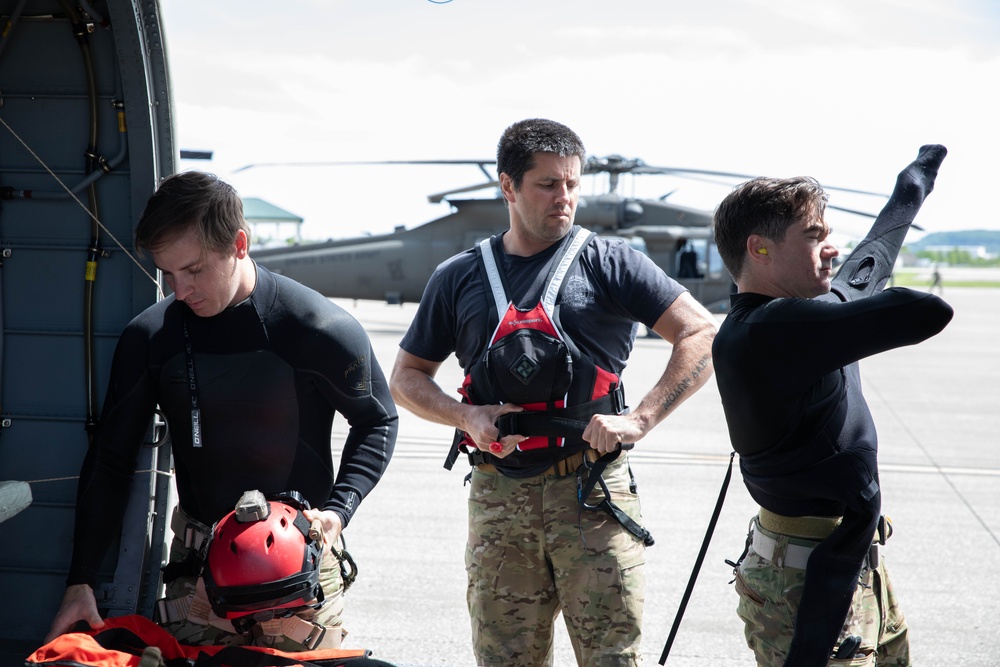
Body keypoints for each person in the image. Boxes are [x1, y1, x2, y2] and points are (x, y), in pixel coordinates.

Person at [389, 118, 718, 667]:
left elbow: (701, 333)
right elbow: (406, 377)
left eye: (571, 183)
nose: (564, 198)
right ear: (508, 187)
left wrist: (640, 418)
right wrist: (466, 416)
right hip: (500, 500)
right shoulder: (458, 277)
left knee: (612, 658)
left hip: (592, 494)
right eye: (547, 184)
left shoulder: (612, 263)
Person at [46, 172, 398, 650]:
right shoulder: (150, 338)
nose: (180, 289)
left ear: (238, 243)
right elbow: (112, 458)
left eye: (193, 269)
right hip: (196, 583)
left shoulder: (318, 328)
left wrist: (339, 510)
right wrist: (81, 579)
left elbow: (378, 419)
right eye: (166, 274)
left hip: (298, 576)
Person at [712, 145, 952, 666]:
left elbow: (872, 262)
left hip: (854, 563)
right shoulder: (766, 334)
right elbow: (925, 310)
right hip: (802, 581)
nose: (831, 248)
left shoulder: (806, 321)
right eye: (814, 236)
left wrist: (910, 190)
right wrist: (844, 302)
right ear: (759, 249)